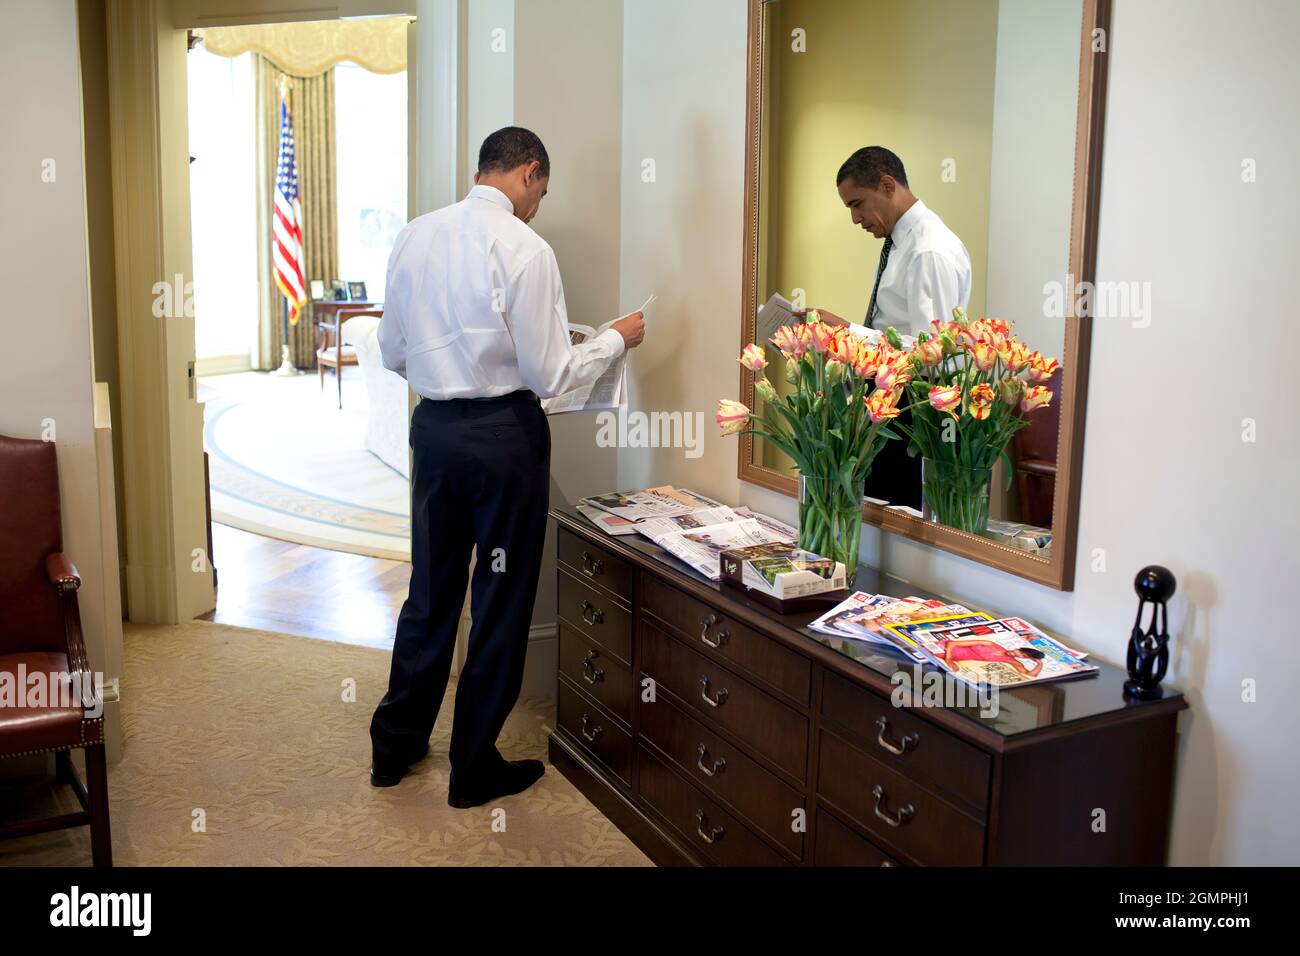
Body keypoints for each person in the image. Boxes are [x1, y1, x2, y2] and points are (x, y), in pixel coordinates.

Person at [369, 126, 646, 808]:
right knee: (499, 600)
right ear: (526, 172)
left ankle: (395, 746)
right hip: (503, 441)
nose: (537, 207)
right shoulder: (526, 249)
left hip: (433, 431)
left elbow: (392, 352)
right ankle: (472, 767)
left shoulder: (415, 234)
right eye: (540, 193)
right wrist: (614, 338)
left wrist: (446, 374)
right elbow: (549, 374)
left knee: (430, 592)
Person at [803, 146, 973, 509]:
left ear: (887, 184)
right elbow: (899, 330)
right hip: (889, 402)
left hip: (913, 411)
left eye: (857, 204)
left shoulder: (929, 250)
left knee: (896, 511)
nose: (855, 218)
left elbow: (934, 355)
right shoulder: (900, 242)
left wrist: (850, 332)